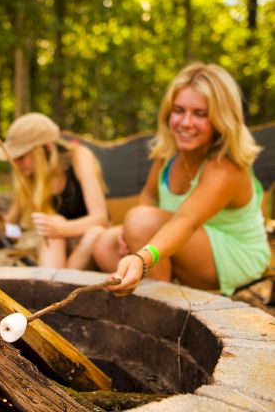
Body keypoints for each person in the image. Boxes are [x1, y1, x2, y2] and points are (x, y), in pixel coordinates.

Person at [92, 62, 270, 297]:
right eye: (178, 110)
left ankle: (163, 312)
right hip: (183, 242)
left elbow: (186, 221)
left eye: (200, 114)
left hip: (234, 254)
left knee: (139, 222)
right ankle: (166, 290)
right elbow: (149, 195)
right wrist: (132, 236)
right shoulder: (169, 155)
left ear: (221, 119)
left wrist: (142, 255)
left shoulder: (226, 168)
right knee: (105, 244)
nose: (185, 123)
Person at [0, 112, 109, 269]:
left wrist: (59, 229)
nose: (16, 163)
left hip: (88, 242)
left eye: (21, 156)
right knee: (52, 230)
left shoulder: (79, 158)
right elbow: (12, 222)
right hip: (57, 248)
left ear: (46, 148)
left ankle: (55, 283)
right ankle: (56, 285)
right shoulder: (30, 176)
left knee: (87, 231)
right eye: (14, 158)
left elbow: (100, 217)